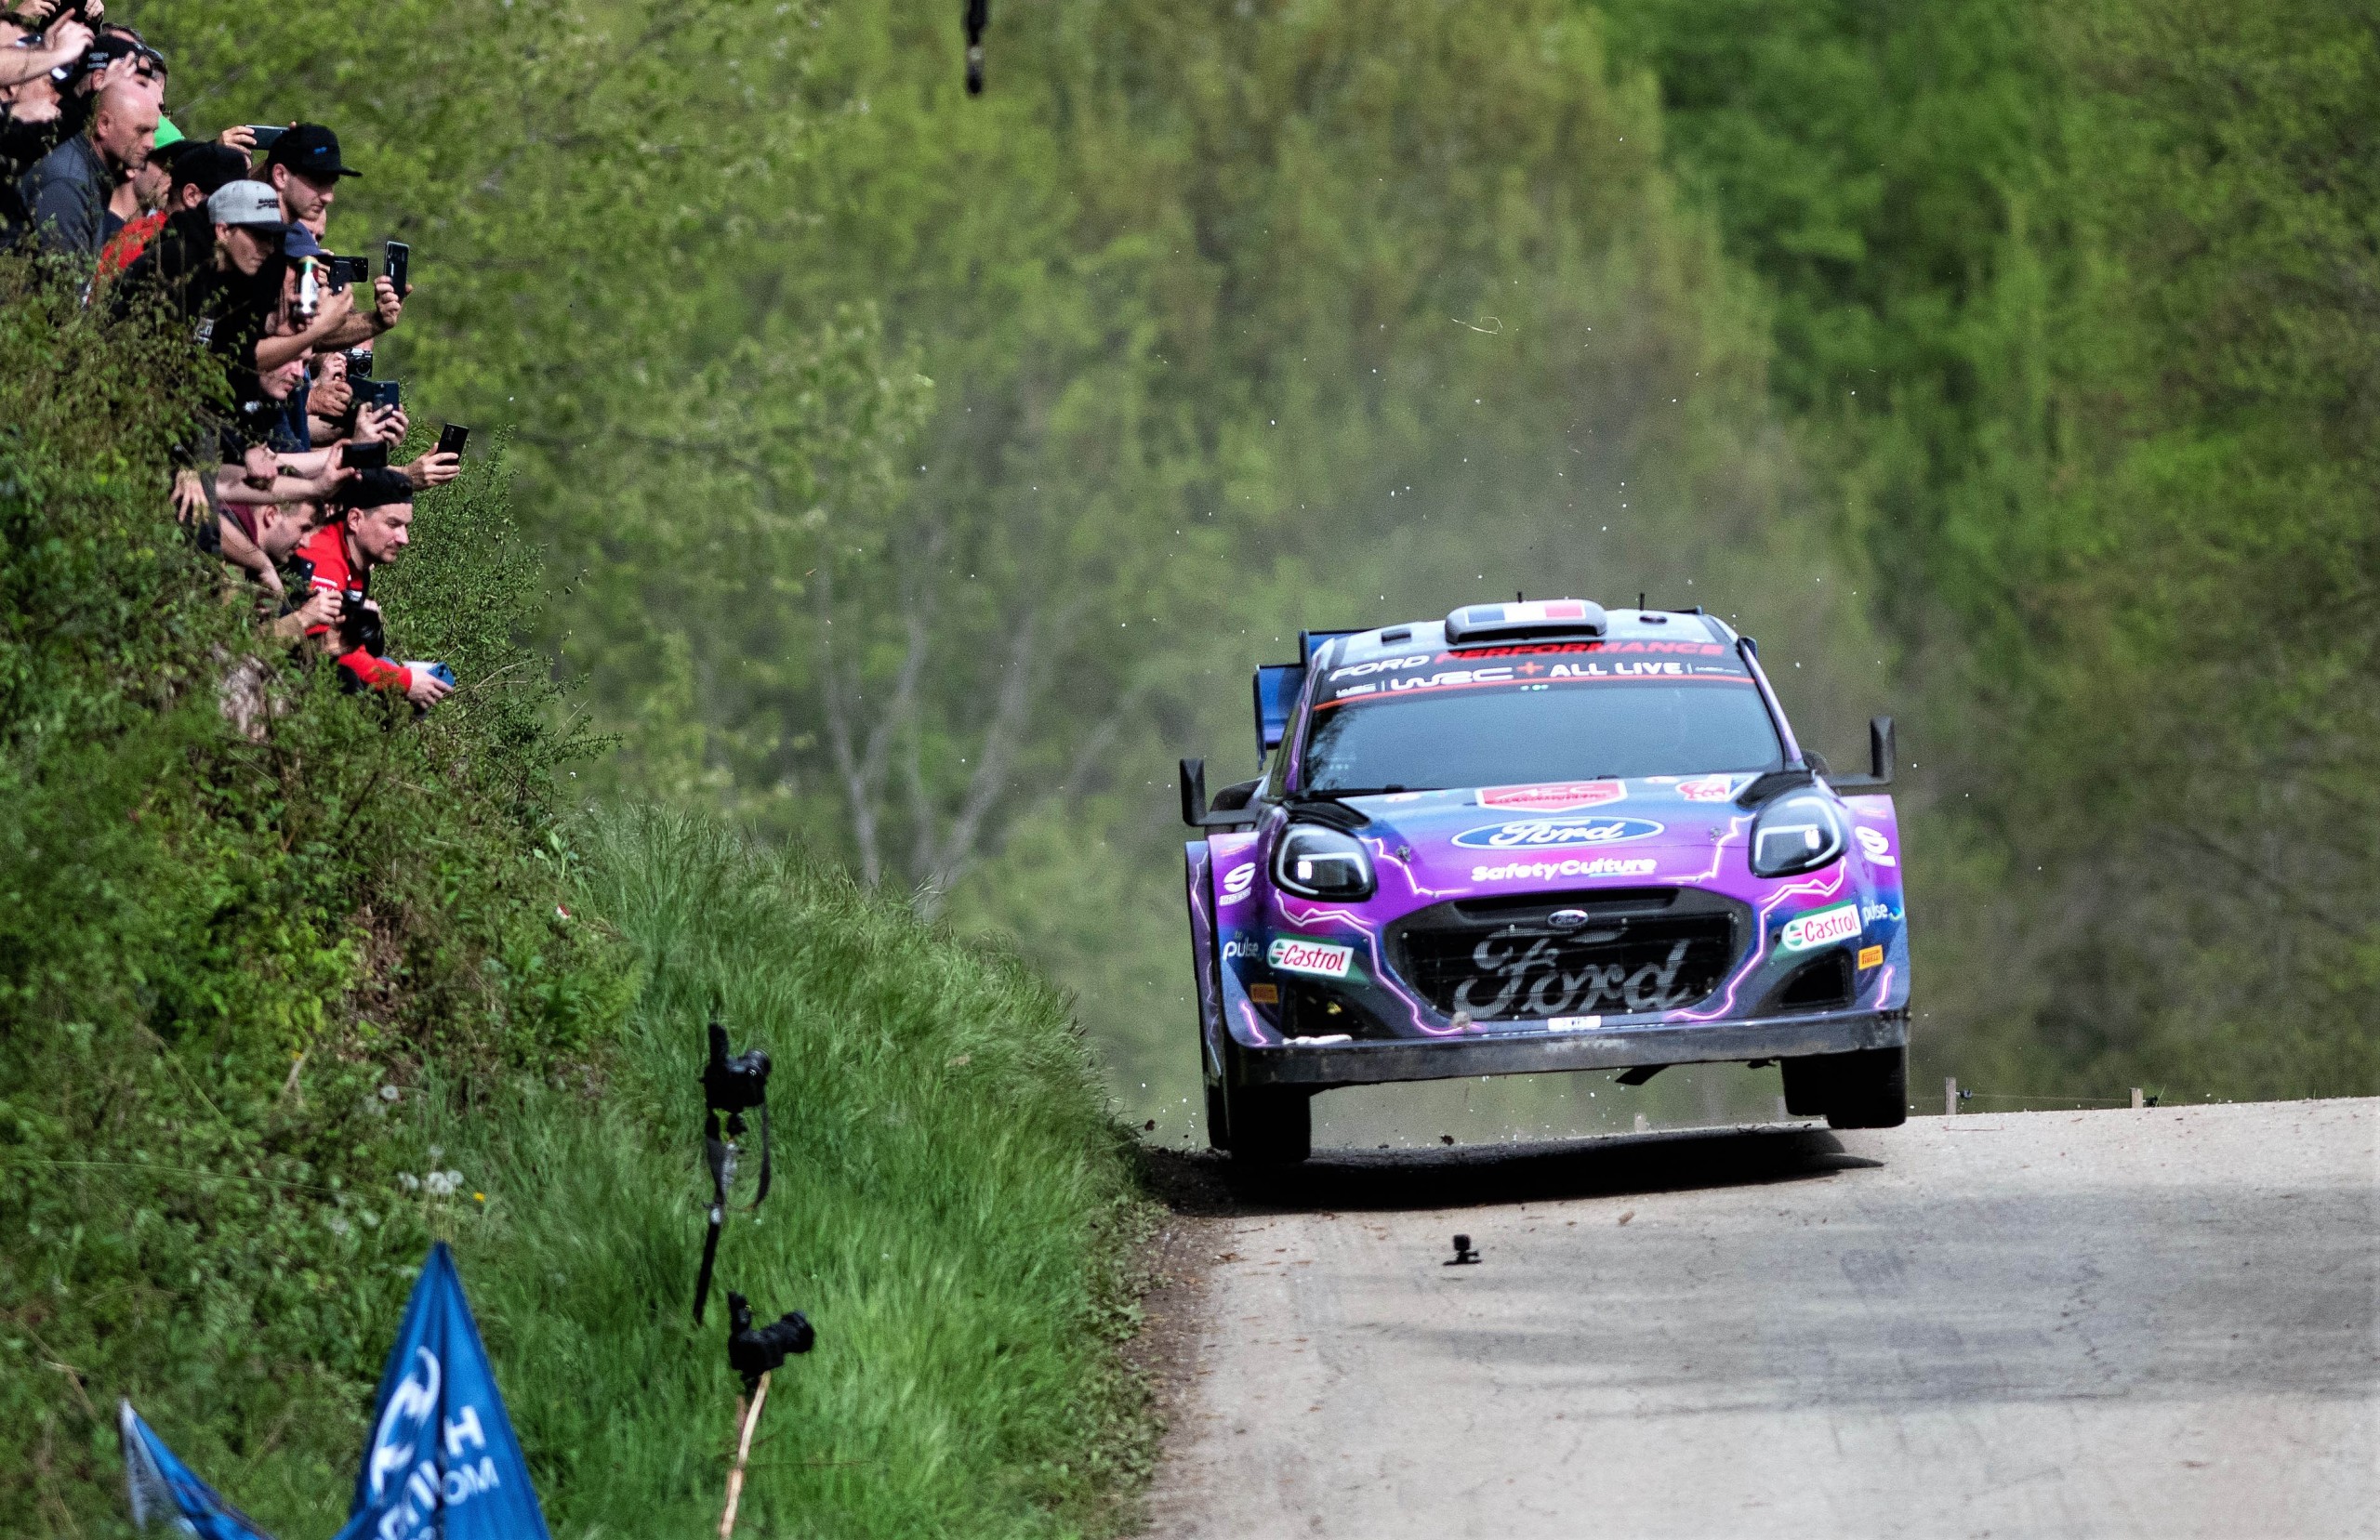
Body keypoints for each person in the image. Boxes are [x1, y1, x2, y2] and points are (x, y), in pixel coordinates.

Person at [294, 470, 452, 706]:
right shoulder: (324, 559)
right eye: (393, 524)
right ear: (355, 520)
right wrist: (405, 681)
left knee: (385, 666)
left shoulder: (356, 560)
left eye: (405, 526)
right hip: (290, 659)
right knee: (348, 680)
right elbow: (324, 651)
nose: (404, 538)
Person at [15, 75, 153, 255]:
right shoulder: (69, 184)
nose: (151, 143)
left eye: (153, 131)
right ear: (103, 124)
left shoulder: (89, 172)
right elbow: (63, 279)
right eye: (141, 131)